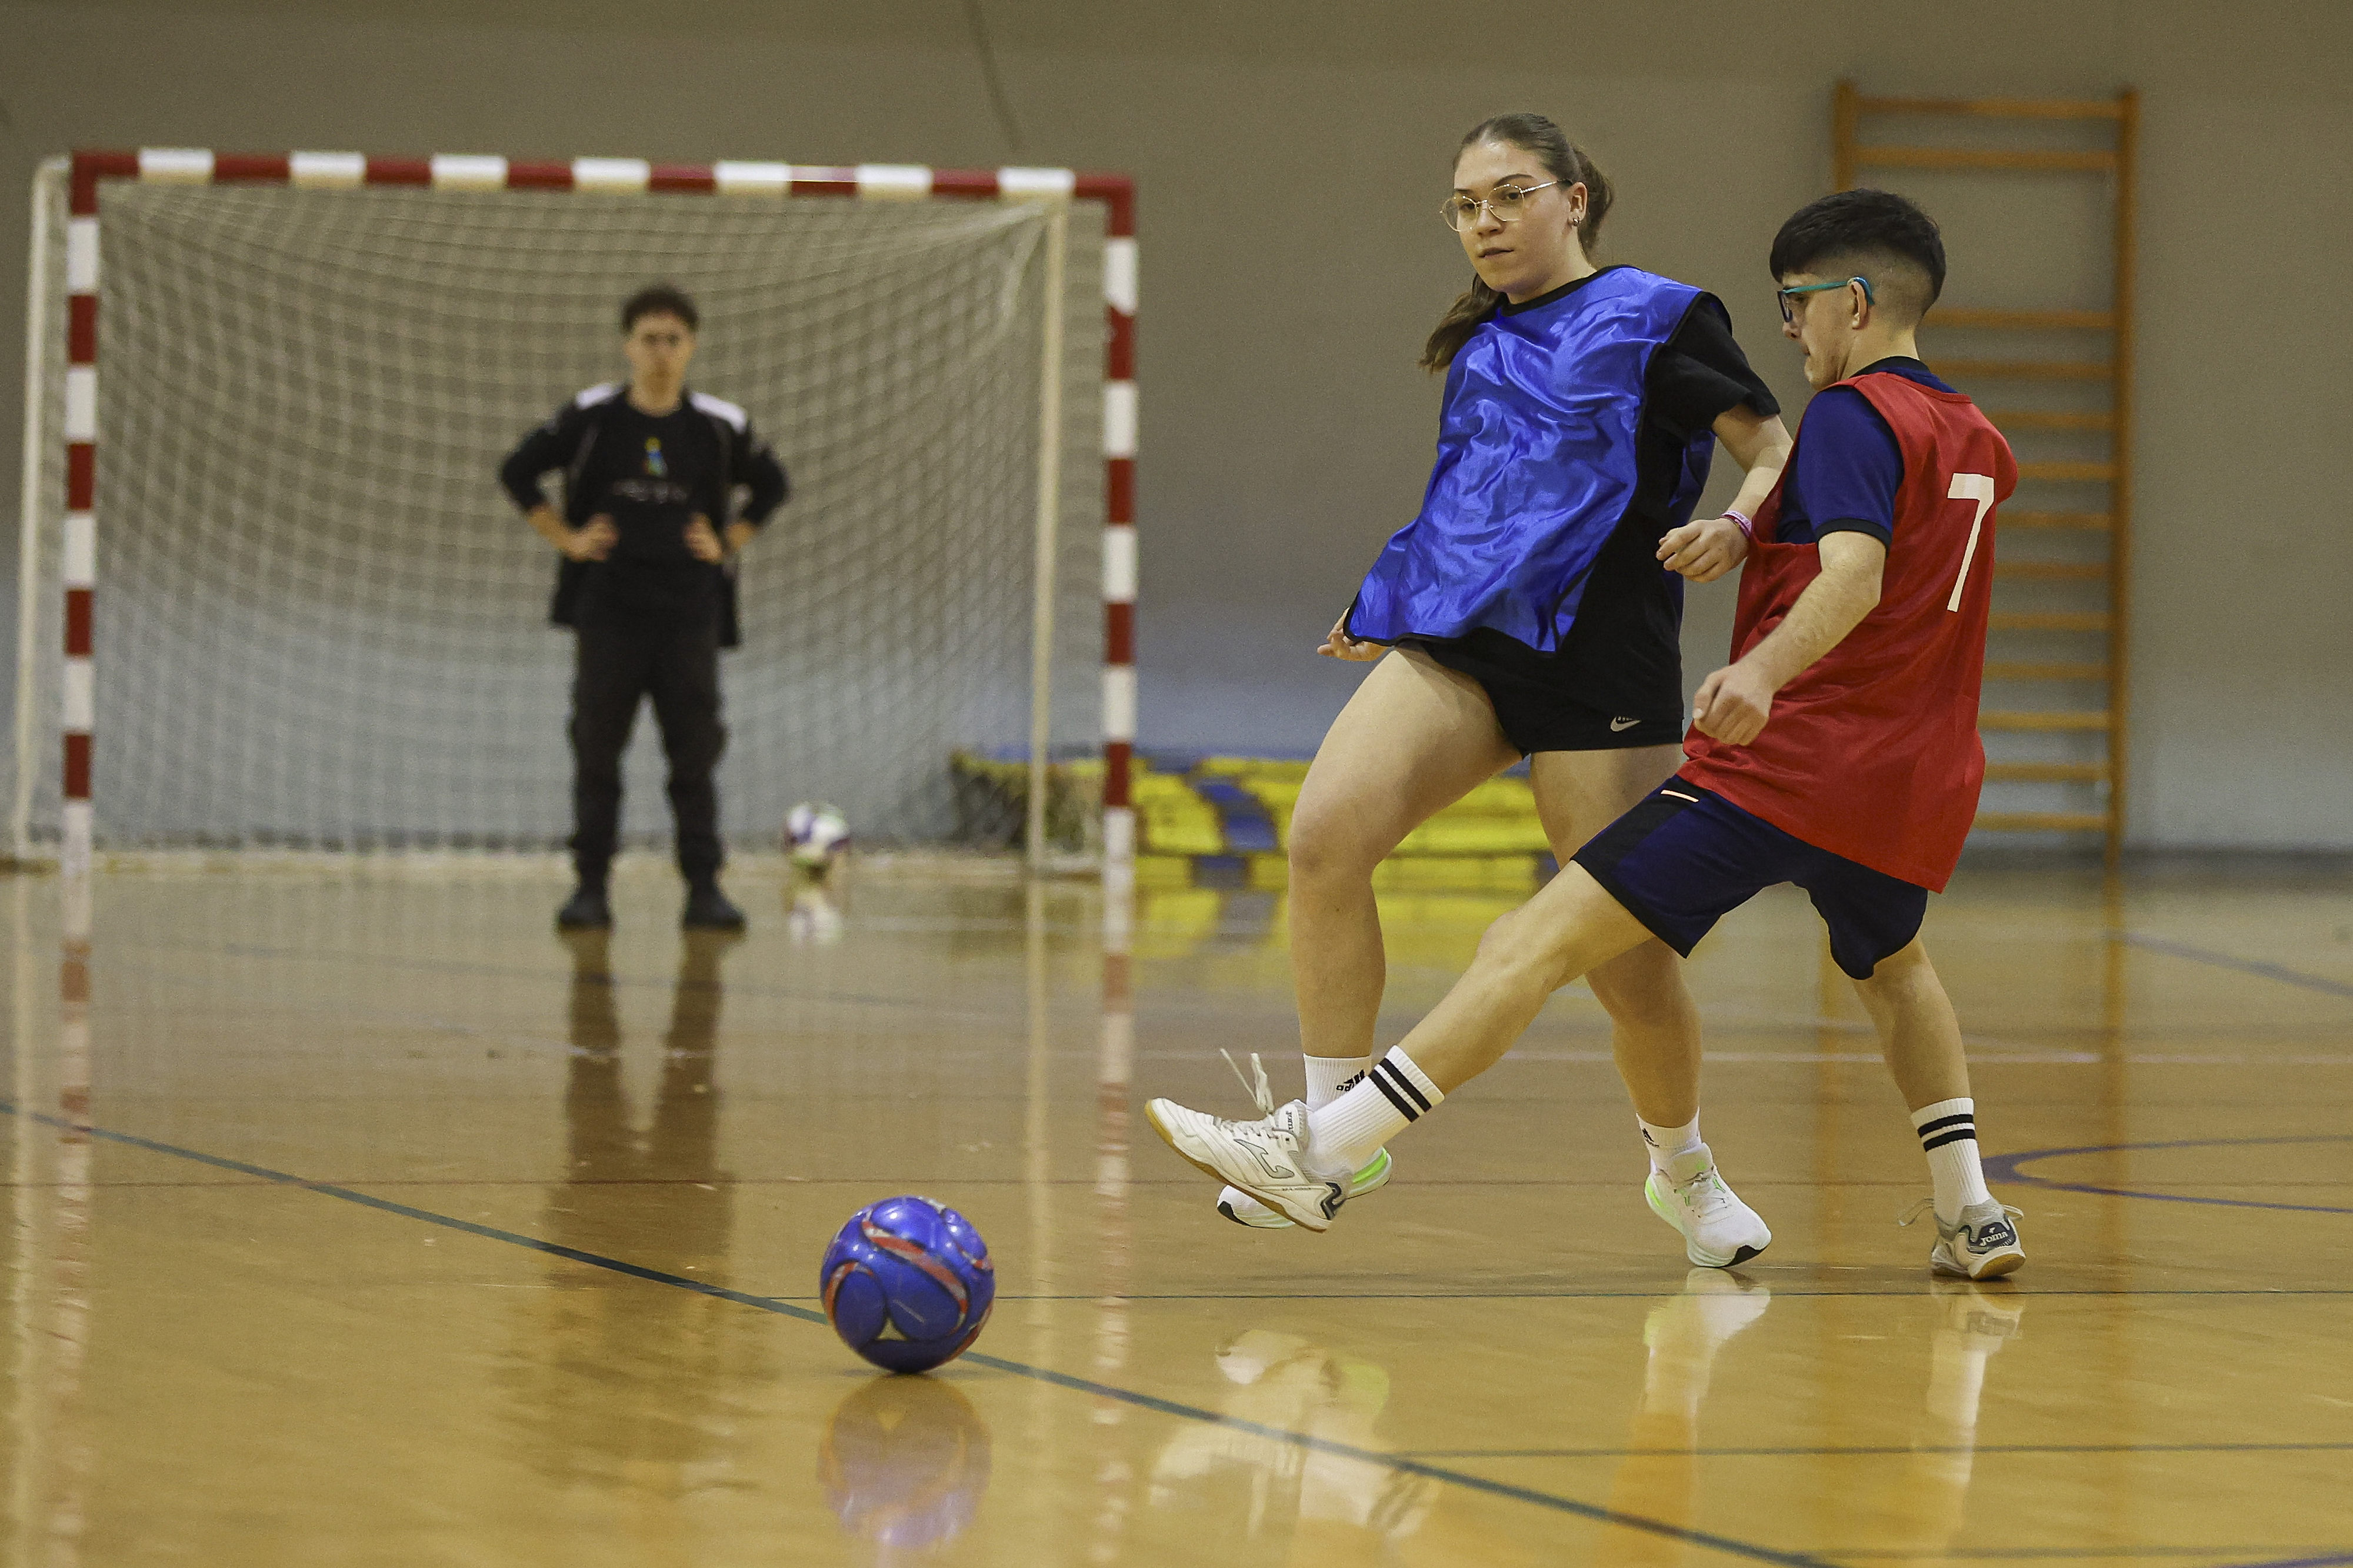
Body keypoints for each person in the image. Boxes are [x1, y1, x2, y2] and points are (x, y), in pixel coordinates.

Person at [1152, 189, 2028, 1282]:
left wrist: (1757, 669)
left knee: (1527, 946)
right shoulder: (1978, 435)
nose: (1790, 329)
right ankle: (1973, 1208)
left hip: (1787, 771)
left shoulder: (1856, 414)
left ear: (1852, 301)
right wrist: (1740, 528)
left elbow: (1854, 574)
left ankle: (1321, 1148)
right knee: (1894, 967)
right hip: (1910, 784)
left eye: (1796, 306)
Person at [1213, 113, 1794, 1255]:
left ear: (1572, 199)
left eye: (1508, 195)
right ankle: (1329, 1145)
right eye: (1465, 204)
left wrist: (1733, 523)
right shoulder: (1478, 341)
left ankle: (1681, 1170)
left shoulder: (1659, 318)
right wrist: (1390, 598)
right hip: (1466, 648)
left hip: (1603, 665)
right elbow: (1475, 502)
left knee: (1628, 967)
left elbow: (1775, 449)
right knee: (1324, 836)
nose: (1483, 221)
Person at [498, 283, 788, 931]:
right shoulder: (593, 416)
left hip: (689, 615)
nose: (661, 352)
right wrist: (566, 539)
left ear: (692, 347)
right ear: (628, 345)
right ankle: (591, 888)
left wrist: (728, 541)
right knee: (598, 752)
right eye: (649, 339)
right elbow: (517, 469)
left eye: (674, 340)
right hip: (609, 613)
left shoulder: (718, 425)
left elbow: (773, 486)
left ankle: (705, 889)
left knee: (695, 753)